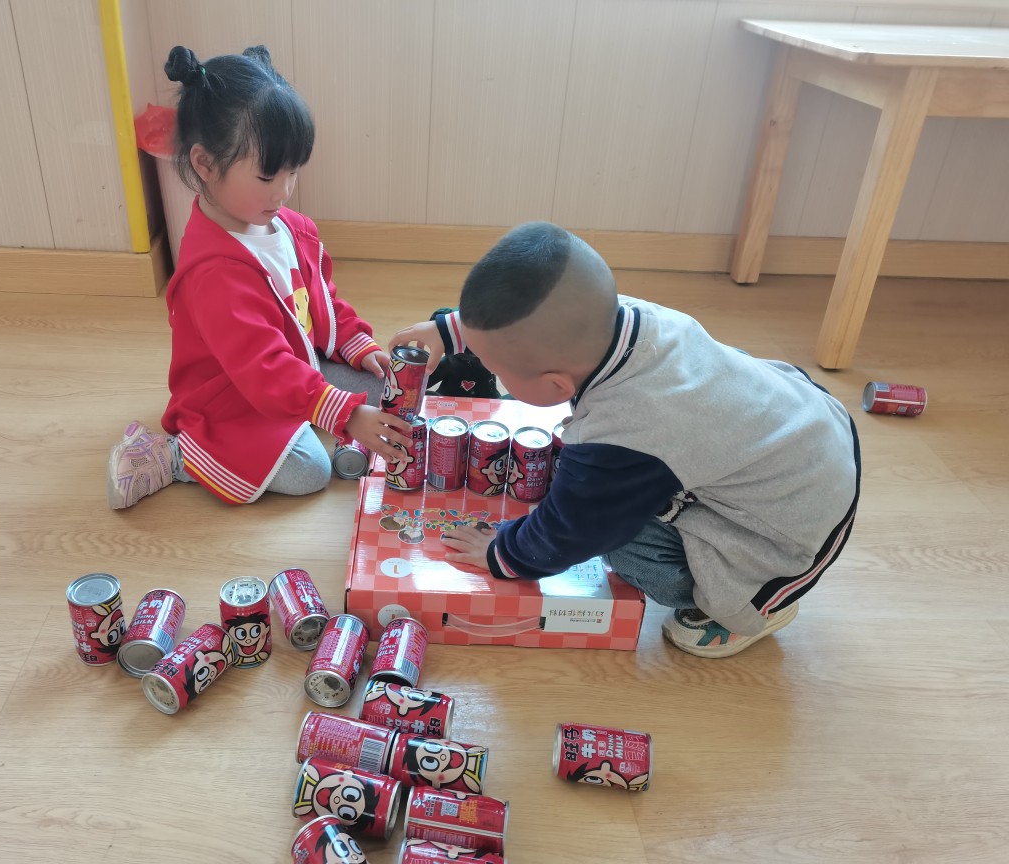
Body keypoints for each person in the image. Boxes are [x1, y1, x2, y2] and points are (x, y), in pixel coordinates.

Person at [390, 222, 860, 658]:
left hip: (786, 533)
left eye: (495, 369)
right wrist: (451, 331)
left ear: (556, 385)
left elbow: (571, 532)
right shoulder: (621, 316)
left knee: (622, 546)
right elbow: (534, 317)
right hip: (812, 428)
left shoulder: (625, 433)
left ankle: (756, 609)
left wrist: (503, 553)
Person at [108, 45, 409, 509]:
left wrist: (357, 344)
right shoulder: (214, 273)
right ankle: (173, 456)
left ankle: (315, 408)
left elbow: (321, 301)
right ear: (205, 164)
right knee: (310, 471)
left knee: (382, 385)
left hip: (292, 364)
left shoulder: (288, 227)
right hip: (235, 394)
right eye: (268, 177)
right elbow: (261, 366)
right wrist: (345, 416)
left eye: (293, 172)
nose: (283, 191)